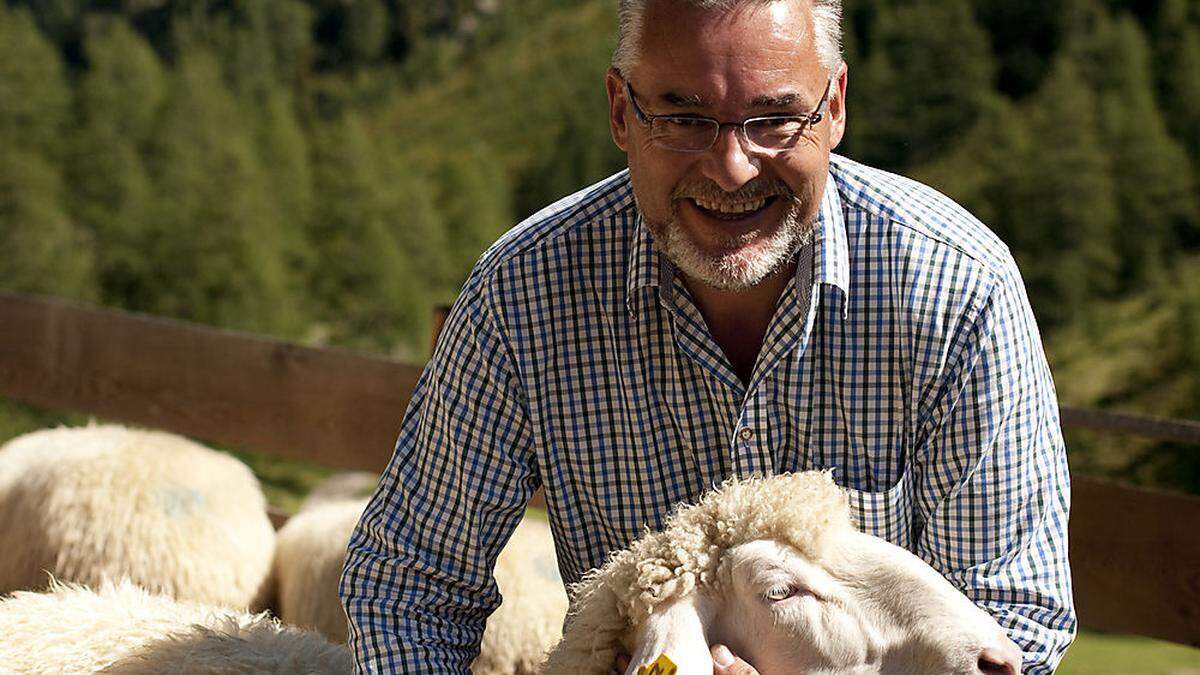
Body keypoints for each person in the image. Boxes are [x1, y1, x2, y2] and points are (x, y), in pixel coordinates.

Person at [339, 0, 1076, 672]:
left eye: (775, 117)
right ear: (621, 112)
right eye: (684, 117)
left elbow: (1013, 627)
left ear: (836, 107)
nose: (731, 167)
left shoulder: (958, 289)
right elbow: (410, 584)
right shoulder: (521, 297)